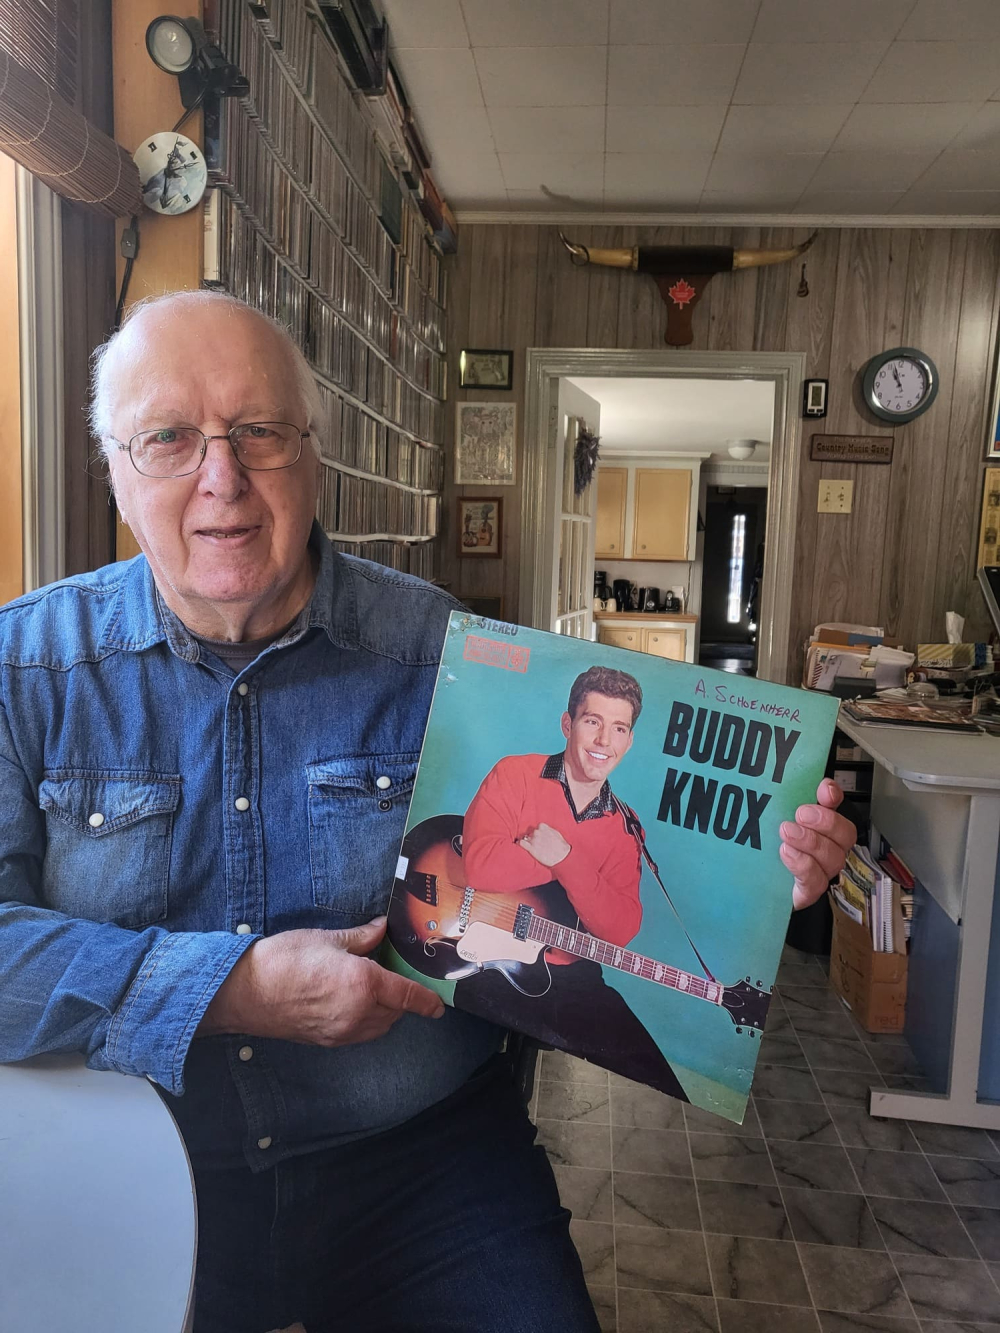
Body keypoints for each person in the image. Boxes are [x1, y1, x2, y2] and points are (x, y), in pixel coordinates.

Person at [0, 291, 856, 1333]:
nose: (221, 477)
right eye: (170, 439)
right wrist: (227, 988)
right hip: (125, 1155)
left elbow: (602, 845)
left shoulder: (451, 659)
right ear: (115, 469)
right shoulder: (24, 671)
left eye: (259, 431)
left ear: (313, 454)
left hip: (424, 1166)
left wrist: (758, 868)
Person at [459, 664, 689, 1098]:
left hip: (571, 975)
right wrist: (578, 870)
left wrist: (563, 857)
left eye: (618, 728)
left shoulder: (627, 827)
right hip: (490, 960)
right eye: (592, 722)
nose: (604, 741)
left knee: (659, 1077)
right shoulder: (514, 774)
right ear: (568, 724)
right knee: (476, 1089)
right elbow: (480, 866)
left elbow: (618, 928)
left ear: (630, 740)